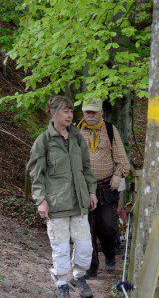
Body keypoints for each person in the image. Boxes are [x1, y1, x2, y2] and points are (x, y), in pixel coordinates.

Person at [27, 96, 97, 298]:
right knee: (61, 248)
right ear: (54, 112)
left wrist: (91, 191)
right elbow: (36, 174)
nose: (70, 115)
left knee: (85, 248)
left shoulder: (77, 138)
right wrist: (41, 200)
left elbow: (86, 168)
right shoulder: (43, 141)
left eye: (71, 111)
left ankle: (79, 276)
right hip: (56, 205)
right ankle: (61, 283)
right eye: (65, 111)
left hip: (79, 203)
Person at [78, 99, 130, 278]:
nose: (90, 116)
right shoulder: (76, 131)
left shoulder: (110, 129)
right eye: (87, 112)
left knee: (107, 225)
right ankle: (91, 267)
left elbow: (123, 161)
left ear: (101, 113)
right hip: (83, 187)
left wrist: (117, 175)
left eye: (94, 112)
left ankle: (109, 253)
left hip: (106, 186)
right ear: (83, 113)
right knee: (86, 229)